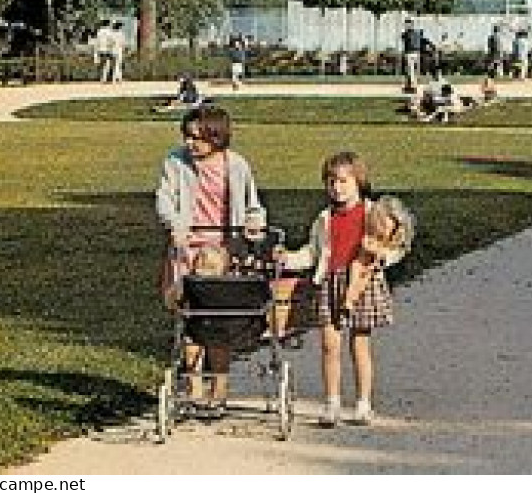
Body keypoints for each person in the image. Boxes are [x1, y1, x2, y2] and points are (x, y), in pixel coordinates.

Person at [281, 151, 408, 428]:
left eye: (342, 181)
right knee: (330, 345)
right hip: (330, 281)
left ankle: (363, 403)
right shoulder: (325, 218)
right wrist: (288, 259)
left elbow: (395, 243)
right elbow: (314, 253)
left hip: (362, 281)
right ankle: (332, 402)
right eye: (331, 182)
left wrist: (383, 257)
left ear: (358, 181)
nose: (336, 188)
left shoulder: (373, 212)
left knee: (360, 344)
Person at [155, 106, 265, 415]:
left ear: (215, 137)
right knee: (190, 318)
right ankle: (194, 387)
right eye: (187, 137)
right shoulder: (175, 162)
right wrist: (175, 224)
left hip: (222, 250)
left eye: (198, 138)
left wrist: (253, 225)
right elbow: (164, 198)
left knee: (218, 319)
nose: (191, 144)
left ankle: (220, 386)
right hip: (188, 248)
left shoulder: (237, 166)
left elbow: (253, 206)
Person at [399, 20, 422, 92]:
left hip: (410, 53)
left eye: (407, 24)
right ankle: (412, 85)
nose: (406, 26)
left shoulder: (406, 34)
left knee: (411, 70)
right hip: (416, 53)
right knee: (414, 70)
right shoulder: (416, 33)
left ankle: (412, 86)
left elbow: (403, 37)